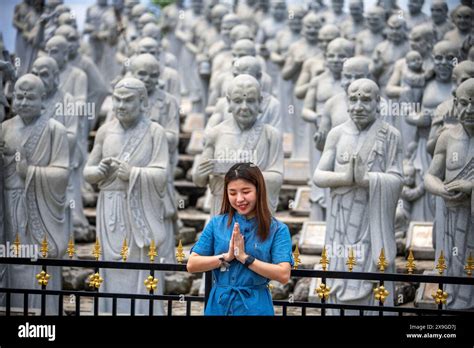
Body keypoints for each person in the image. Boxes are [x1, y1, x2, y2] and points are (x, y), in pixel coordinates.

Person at [187, 162, 294, 315]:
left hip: (256, 307)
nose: (239, 199)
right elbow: (192, 264)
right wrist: (227, 257)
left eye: (246, 191)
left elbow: (283, 274)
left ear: (259, 190)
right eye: (232, 193)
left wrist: (245, 258)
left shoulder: (277, 229)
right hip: (219, 306)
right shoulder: (216, 224)